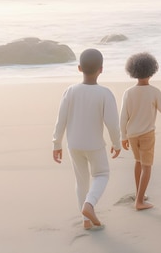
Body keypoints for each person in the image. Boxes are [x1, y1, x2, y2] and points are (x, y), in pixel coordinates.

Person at [52, 48, 121, 231]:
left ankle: (86, 221)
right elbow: (112, 124)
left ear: (79, 68)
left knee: (81, 181)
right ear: (101, 69)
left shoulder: (70, 91)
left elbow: (61, 120)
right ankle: (89, 205)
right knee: (101, 174)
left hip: (73, 145)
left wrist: (56, 143)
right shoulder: (105, 93)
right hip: (95, 145)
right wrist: (116, 143)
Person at [120, 52, 161, 210]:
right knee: (147, 166)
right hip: (147, 135)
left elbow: (123, 117)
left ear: (132, 71)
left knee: (138, 162)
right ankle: (139, 201)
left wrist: (123, 137)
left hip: (132, 134)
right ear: (152, 70)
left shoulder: (128, 93)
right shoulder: (154, 92)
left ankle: (139, 193)